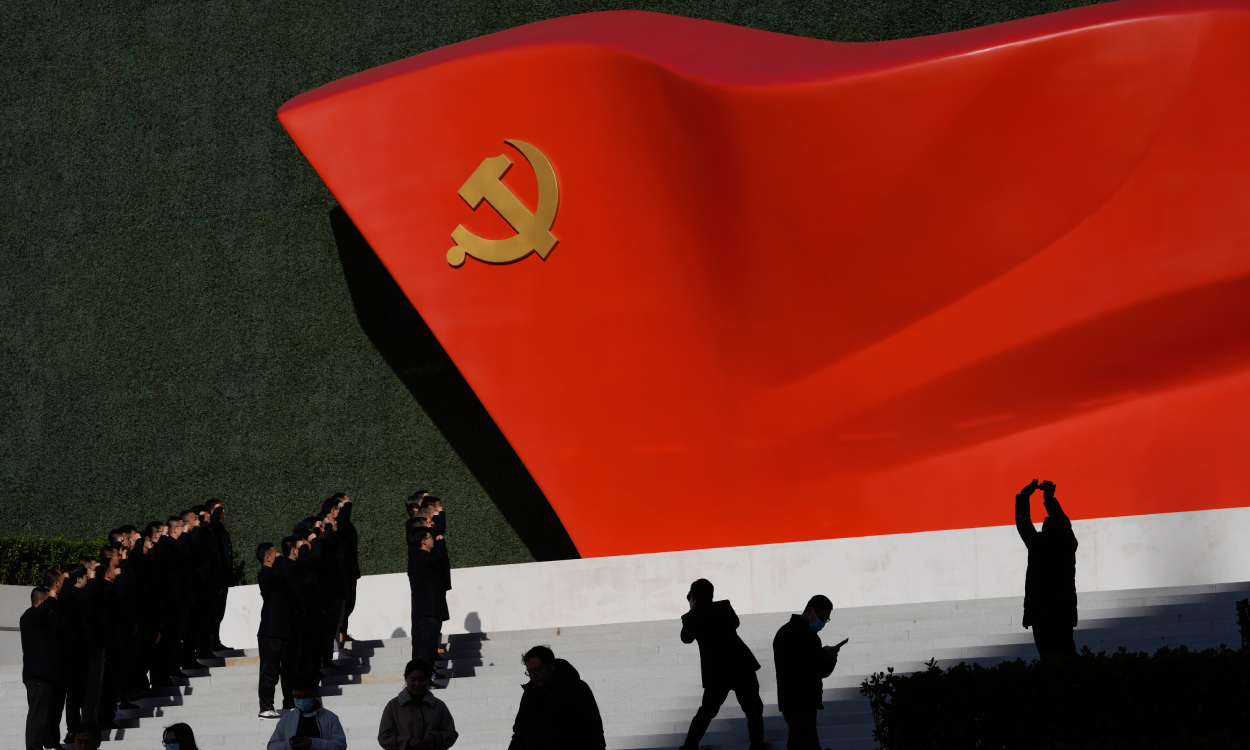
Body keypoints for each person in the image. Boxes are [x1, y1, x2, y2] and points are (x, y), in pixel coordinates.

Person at [678, 579, 764, 750]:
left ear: (692, 596)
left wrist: (694, 609)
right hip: (741, 666)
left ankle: (690, 746)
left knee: (706, 711)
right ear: (711, 594)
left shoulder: (692, 616)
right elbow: (735, 623)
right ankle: (757, 745)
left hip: (716, 672)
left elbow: (686, 638)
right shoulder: (723, 607)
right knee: (753, 709)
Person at [1016, 479, 1079, 659]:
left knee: (1049, 657)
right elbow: (1063, 523)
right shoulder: (1069, 544)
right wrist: (1049, 499)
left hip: (1042, 614)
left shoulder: (1039, 544)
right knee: (1067, 652)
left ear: (1047, 529)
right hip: (1064, 611)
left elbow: (1023, 522)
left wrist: (1024, 496)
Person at [773, 595, 843, 750]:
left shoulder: (813, 637)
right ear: (810, 611)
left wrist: (831, 658)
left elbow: (820, 671)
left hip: (808, 701)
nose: (823, 623)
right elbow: (795, 666)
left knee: (797, 744)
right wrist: (823, 654)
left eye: (826, 620)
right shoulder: (787, 633)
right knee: (809, 744)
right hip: (795, 701)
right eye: (822, 618)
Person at [507, 645, 605, 750]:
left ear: (552, 665)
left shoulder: (576, 690)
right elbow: (519, 734)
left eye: (537, 670)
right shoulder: (529, 695)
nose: (533, 676)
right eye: (530, 672)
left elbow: (593, 731)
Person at [377, 659, 458, 749]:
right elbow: (383, 737)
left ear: (428, 680)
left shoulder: (439, 706)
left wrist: (436, 737)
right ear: (406, 679)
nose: (417, 684)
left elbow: (451, 733)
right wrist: (406, 742)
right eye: (413, 680)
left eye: (422, 680)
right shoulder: (393, 706)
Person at [257, 542, 296, 719]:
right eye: (275, 554)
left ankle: (278, 704)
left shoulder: (275, 574)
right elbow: (277, 575)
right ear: (268, 558)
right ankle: (265, 707)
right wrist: (281, 559)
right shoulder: (265, 574)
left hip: (279, 631)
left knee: (280, 671)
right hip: (270, 631)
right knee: (269, 672)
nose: (279, 555)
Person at [22, 585, 64, 750]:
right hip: (38, 674)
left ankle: (50, 743)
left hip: (47, 674)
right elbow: (40, 612)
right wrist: (52, 597)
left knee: (46, 714)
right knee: (38, 715)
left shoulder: (42, 621)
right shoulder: (30, 615)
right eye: (48, 602)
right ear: (41, 602)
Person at [265, 674, 347, 750]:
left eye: (306, 696)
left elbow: (341, 745)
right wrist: (288, 745)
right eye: (297, 697)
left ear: (315, 694)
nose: (302, 700)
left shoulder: (330, 718)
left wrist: (314, 743)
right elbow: (271, 746)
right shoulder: (286, 719)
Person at [406, 526, 449, 669]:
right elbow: (440, 557)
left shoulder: (426, 557)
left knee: (430, 643)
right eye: (430, 537)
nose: (433, 539)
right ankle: (422, 674)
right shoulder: (421, 557)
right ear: (423, 541)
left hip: (433, 608)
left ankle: (428, 674)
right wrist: (441, 542)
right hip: (429, 609)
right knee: (427, 644)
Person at [328, 494, 361, 644]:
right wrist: (345, 504)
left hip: (350, 570)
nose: (349, 506)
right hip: (342, 571)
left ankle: (343, 631)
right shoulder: (338, 523)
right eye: (346, 504)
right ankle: (340, 632)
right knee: (343, 605)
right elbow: (344, 516)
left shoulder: (346, 525)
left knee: (350, 603)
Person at [205, 499, 235, 653]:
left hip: (223, 576)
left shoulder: (220, 528)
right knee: (213, 612)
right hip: (215, 578)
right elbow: (213, 522)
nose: (223, 511)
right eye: (219, 509)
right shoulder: (212, 527)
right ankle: (210, 642)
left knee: (219, 611)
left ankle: (215, 640)